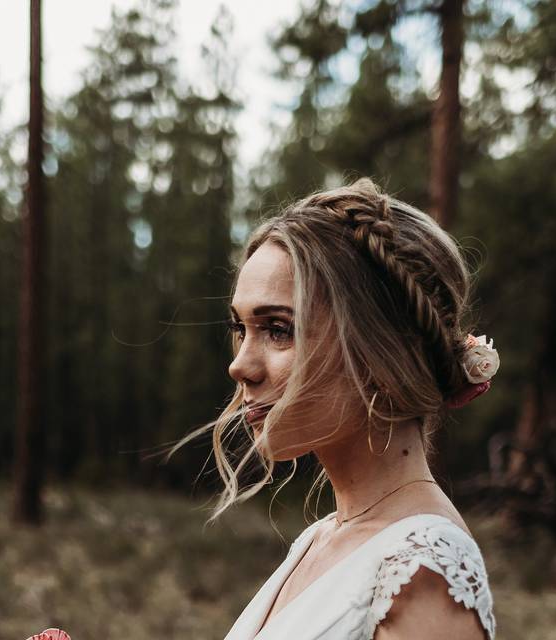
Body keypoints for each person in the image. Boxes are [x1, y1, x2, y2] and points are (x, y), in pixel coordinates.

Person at [197, 178, 499, 640]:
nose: (240, 365)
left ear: (384, 352)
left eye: (279, 329)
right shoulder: (322, 539)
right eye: (241, 328)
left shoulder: (425, 571)